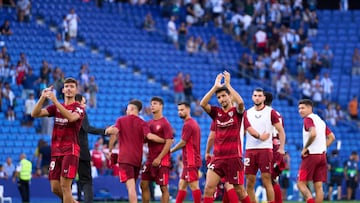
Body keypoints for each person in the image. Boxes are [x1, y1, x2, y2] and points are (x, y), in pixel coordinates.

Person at [200, 71, 267, 203]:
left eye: (224, 96)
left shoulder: (237, 112)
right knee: (208, 188)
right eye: (219, 97)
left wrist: (228, 85)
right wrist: (215, 87)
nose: (222, 99)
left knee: (240, 191)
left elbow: (241, 103)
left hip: (233, 158)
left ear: (230, 97)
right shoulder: (216, 113)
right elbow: (203, 104)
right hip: (218, 158)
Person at [31, 77, 85, 203]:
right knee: (55, 188)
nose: (69, 89)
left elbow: (71, 118)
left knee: (65, 186)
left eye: (72, 86)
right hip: (56, 151)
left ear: (76, 90)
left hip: (70, 150)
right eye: (67, 86)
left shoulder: (79, 108)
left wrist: (55, 101)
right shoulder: (55, 108)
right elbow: (34, 114)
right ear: (63, 90)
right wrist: (43, 97)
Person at [105, 99, 165, 203]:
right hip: (137, 160)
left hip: (125, 159)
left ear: (132, 109)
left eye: (127, 109)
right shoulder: (143, 123)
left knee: (131, 188)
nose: (126, 111)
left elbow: (114, 133)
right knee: (133, 186)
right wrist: (164, 140)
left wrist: (107, 132)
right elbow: (149, 136)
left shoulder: (121, 120)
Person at [243, 88, 286, 203]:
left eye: (259, 95)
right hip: (250, 150)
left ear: (264, 98)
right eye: (255, 95)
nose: (257, 97)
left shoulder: (271, 112)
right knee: (249, 181)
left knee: (267, 180)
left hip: (266, 150)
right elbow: (243, 131)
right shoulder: (247, 113)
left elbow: (281, 130)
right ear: (252, 97)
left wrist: (282, 148)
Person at [297, 99, 336, 203]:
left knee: (301, 184)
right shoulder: (320, 121)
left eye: (303, 108)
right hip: (322, 156)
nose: (300, 110)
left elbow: (313, 134)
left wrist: (305, 147)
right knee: (318, 186)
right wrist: (322, 147)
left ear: (310, 108)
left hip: (311, 156)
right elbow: (332, 137)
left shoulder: (308, 119)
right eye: (299, 108)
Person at [140, 96, 173, 203]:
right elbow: (145, 140)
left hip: (162, 160)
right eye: (151, 104)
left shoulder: (165, 123)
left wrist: (159, 158)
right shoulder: (148, 123)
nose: (152, 106)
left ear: (161, 106)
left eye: (155, 103)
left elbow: (169, 143)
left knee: (163, 187)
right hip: (150, 159)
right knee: (143, 184)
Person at [74, 93, 106, 203]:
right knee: (87, 181)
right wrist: (104, 131)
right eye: (84, 102)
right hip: (81, 150)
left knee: (65, 182)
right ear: (78, 102)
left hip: (68, 151)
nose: (85, 105)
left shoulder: (64, 111)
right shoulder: (80, 111)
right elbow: (87, 128)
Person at [170, 102, 202, 203]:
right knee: (182, 185)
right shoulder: (192, 123)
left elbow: (183, 142)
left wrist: (170, 150)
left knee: (194, 186)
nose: (180, 112)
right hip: (190, 160)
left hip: (191, 160)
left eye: (182, 110)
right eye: (178, 110)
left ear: (188, 109)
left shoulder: (188, 124)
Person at [264, 91, 287, 203]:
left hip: (270, 147)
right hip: (277, 146)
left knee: (269, 180)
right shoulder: (278, 114)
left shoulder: (264, 113)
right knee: (273, 179)